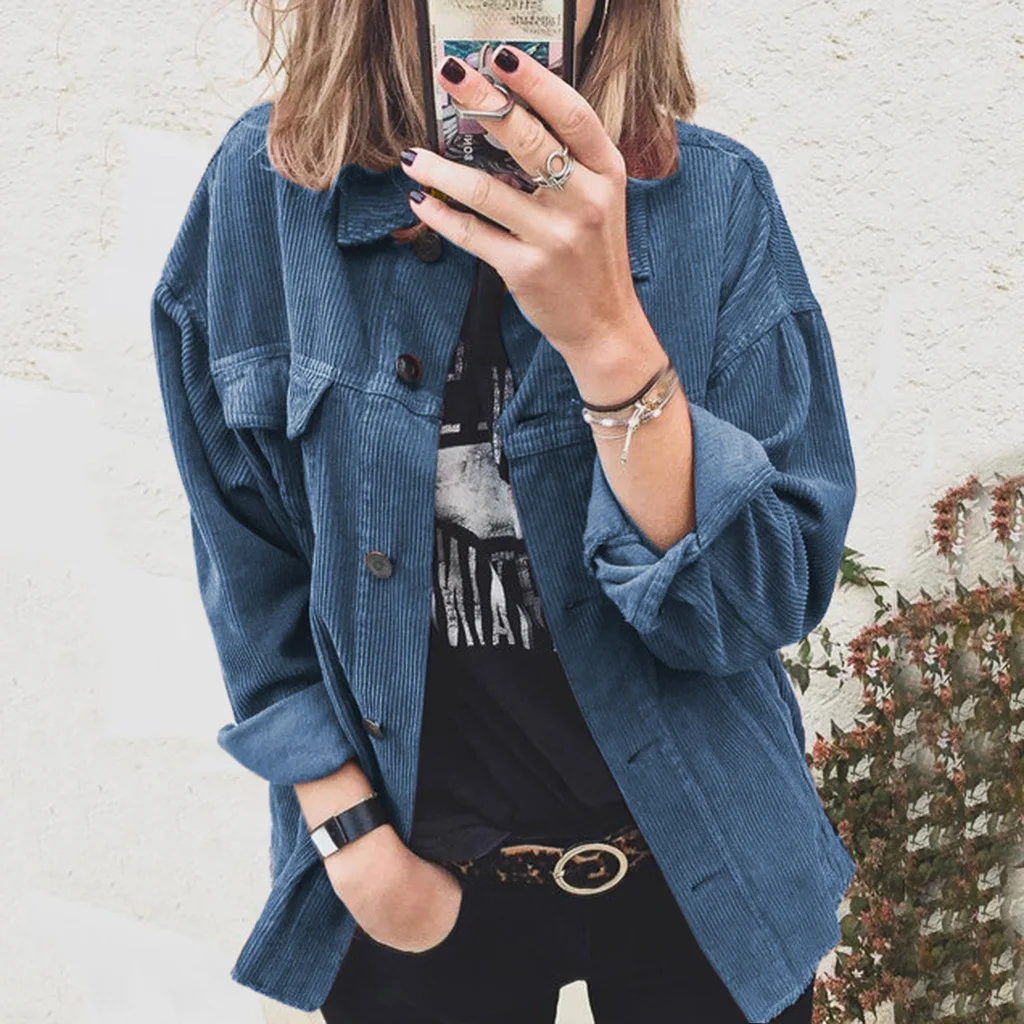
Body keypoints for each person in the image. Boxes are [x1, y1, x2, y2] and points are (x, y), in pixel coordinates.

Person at [149, 1, 859, 1021]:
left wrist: (608, 335)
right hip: (417, 874)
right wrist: (351, 842)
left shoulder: (715, 203)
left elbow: (758, 603)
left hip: (705, 869)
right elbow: (244, 550)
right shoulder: (266, 195)